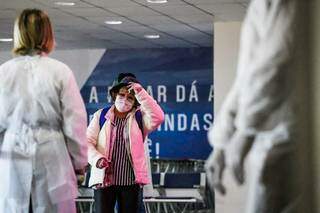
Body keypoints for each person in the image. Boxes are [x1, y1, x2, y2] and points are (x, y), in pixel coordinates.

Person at [206, 0, 303, 212]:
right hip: (275, 137)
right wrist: (221, 143)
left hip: (292, 138)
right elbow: (247, 77)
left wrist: (246, 130)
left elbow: (277, 62)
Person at [0, 9, 88, 213]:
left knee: (13, 205)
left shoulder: (4, 72)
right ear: (48, 34)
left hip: (12, 153)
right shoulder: (60, 71)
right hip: (51, 153)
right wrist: (79, 162)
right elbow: (74, 122)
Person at [87, 73, 164, 213]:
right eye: (121, 95)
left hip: (130, 182)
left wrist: (140, 92)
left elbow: (158, 117)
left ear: (135, 101)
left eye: (130, 97)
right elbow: (86, 143)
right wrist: (97, 159)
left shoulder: (140, 117)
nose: (125, 100)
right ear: (115, 95)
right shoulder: (100, 116)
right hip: (104, 180)